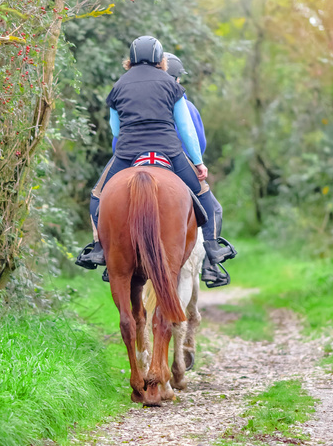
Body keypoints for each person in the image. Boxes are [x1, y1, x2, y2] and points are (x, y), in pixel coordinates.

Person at [75, 35, 236, 287]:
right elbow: (185, 128)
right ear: (160, 59)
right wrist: (198, 162)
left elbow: (115, 130)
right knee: (209, 202)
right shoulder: (171, 84)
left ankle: (99, 250)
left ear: (130, 59)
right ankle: (214, 253)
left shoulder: (118, 86)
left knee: (98, 196)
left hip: (128, 153)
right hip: (168, 151)